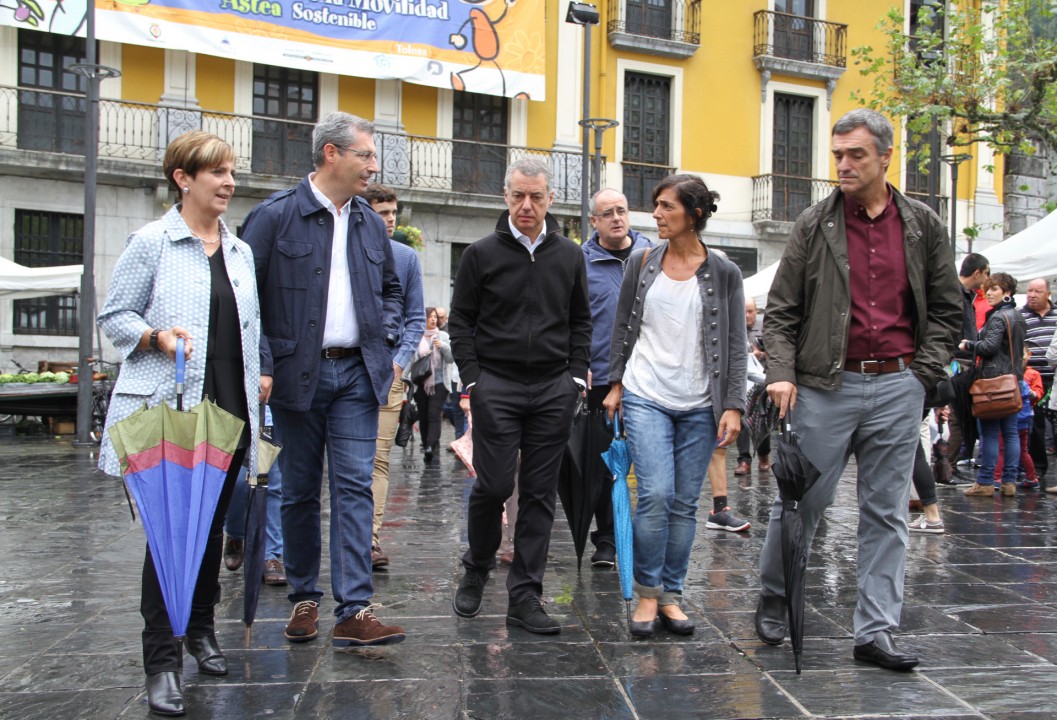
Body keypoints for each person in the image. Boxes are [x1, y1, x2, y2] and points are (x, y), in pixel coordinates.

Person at [753, 109, 961, 671]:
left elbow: (948, 310)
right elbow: (781, 311)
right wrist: (781, 372)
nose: (843, 165)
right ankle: (776, 593)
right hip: (825, 386)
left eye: (856, 155)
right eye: (838, 155)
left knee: (887, 512)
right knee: (802, 503)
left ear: (886, 157)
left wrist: (922, 376)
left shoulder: (922, 224)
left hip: (898, 384)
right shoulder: (814, 223)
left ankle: (876, 631)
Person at [97, 131, 264, 717]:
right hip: (171, 409)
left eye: (231, 172)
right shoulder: (152, 242)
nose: (228, 182)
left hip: (230, 407)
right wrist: (154, 336)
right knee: (170, 536)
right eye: (216, 172)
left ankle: (200, 629)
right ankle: (161, 659)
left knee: (212, 528)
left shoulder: (240, 252)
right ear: (183, 179)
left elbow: (249, 332)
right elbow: (114, 316)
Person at [241, 111, 407, 648]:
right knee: (299, 491)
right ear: (331, 153)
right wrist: (264, 363)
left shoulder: (369, 223)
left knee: (356, 485)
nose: (373, 166)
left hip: (358, 372)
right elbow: (247, 300)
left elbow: (391, 290)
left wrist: (383, 336)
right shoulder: (274, 216)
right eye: (365, 155)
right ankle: (304, 599)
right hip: (296, 376)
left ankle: (355, 608)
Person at [449, 157, 592, 635]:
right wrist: (473, 379)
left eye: (535, 196)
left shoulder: (570, 255)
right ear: (505, 197)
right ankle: (477, 565)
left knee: (538, 493)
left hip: (553, 388)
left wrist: (575, 377)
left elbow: (580, 320)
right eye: (518, 196)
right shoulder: (480, 254)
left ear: (551, 199)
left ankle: (525, 595)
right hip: (497, 386)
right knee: (492, 485)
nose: (526, 205)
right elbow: (461, 321)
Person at [603, 174, 747, 638]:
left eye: (667, 206)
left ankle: (671, 594)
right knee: (657, 494)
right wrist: (615, 383)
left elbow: (736, 343)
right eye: (657, 205)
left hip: (700, 403)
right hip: (646, 393)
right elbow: (622, 326)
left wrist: (734, 404)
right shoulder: (642, 262)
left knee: (685, 504)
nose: (657, 214)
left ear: (694, 214)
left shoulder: (724, 272)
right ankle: (647, 592)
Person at [582, 187, 652, 566]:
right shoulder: (580, 262)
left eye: (621, 210)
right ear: (594, 220)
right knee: (605, 465)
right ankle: (607, 539)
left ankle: (645, 536)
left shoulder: (653, 256)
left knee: (649, 463)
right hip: (600, 381)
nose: (616, 218)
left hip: (648, 380)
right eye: (607, 213)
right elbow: (574, 321)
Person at [363, 182, 426, 570]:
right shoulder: (345, 252)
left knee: (378, 459)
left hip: (389, 374)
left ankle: (369, 540)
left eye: (392, 213)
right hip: (344, 368)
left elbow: (415, 319)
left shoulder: (405, 258)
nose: (390, 220)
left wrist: (399, 364)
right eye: (382, 213)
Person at [960, 273, 1027, 497]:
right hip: (1013, 381)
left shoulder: (998, 317)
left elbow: (989, 347)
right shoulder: (1018, 315)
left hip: (993, 383)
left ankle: (986, 482)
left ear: (1007, 292)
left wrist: (968, 344)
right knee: (1010, 432)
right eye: (988, 288)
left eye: (995, 289)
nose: (988, 293)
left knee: (989, 433)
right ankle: (1009, 482)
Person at [222, 405, 286, 585]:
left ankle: (270, 555)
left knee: (271, 483)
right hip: (237, 412)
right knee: (237, 483)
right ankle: (235, 533)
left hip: (270, 415)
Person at [946, 253, 989, 482]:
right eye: (987, 273)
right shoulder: (956, 293)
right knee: (957, 417)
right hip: (957, 362)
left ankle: (950, 466)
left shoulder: (967, 295)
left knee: (960, 417)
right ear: (977, 272)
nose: (987, 278)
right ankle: (948, 467)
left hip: (962, 361)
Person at [1021, 278, 1057, 484]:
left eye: (1037, 291)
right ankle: (1038, 468)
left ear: (1048, 294)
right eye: (1029, 291)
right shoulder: (1021, 315)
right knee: (1035, 425)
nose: (1032, 295)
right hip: (1033, 378)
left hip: (1054, 378)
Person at [735, 296, 771, 476]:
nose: (747, 315)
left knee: (762, 421)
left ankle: (764, 456)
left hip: (762, 383)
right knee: (741, 421)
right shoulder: (734, 329)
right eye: (744, 311)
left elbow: (778, 355)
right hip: (741, 383)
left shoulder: (766, 328)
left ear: (756, 312)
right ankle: (744, 460)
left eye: (750, 311)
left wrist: (761, 355)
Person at [412, 307, 454, 462]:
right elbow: (411, 361)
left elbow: (451, 358)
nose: (433, 319)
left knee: (433, 414)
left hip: (440, 382)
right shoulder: (416, 337)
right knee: (423, 417)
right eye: (430, 317)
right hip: (421, 383)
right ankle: (427, 445)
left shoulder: (443, 336)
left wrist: (442, 346)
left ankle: (430, 446)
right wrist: (403, 379)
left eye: (435, 317)